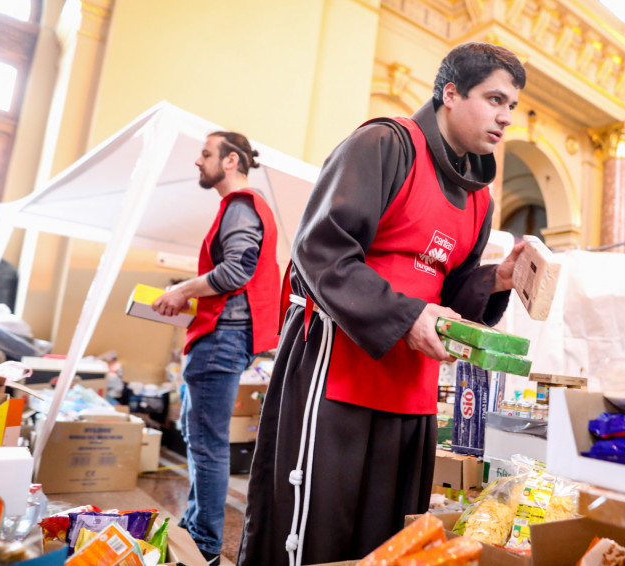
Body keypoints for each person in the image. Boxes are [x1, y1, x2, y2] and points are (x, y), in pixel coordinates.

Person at [237, 42, 526, 566]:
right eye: (495, 100)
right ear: (451, 93)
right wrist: (408, 316)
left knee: (391, 543)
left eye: (512, 106)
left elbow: (451, 295)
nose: (506, 117)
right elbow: (321, 250)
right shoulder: (384, 144)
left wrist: (496, 280)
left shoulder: (479, 199)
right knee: (317, 537)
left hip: (411, 391)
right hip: (337, 375)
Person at [152, 131, 280, 564]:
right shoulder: (243, 207)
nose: (198, 161)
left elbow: (236, 271)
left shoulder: (241, 206)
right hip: (224, 336)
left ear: (230, 161)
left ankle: (204, 544)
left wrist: (182, 290)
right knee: (198, 437)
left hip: (222, 337)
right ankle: (194, 528)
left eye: (206, 154)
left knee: (206, 444)